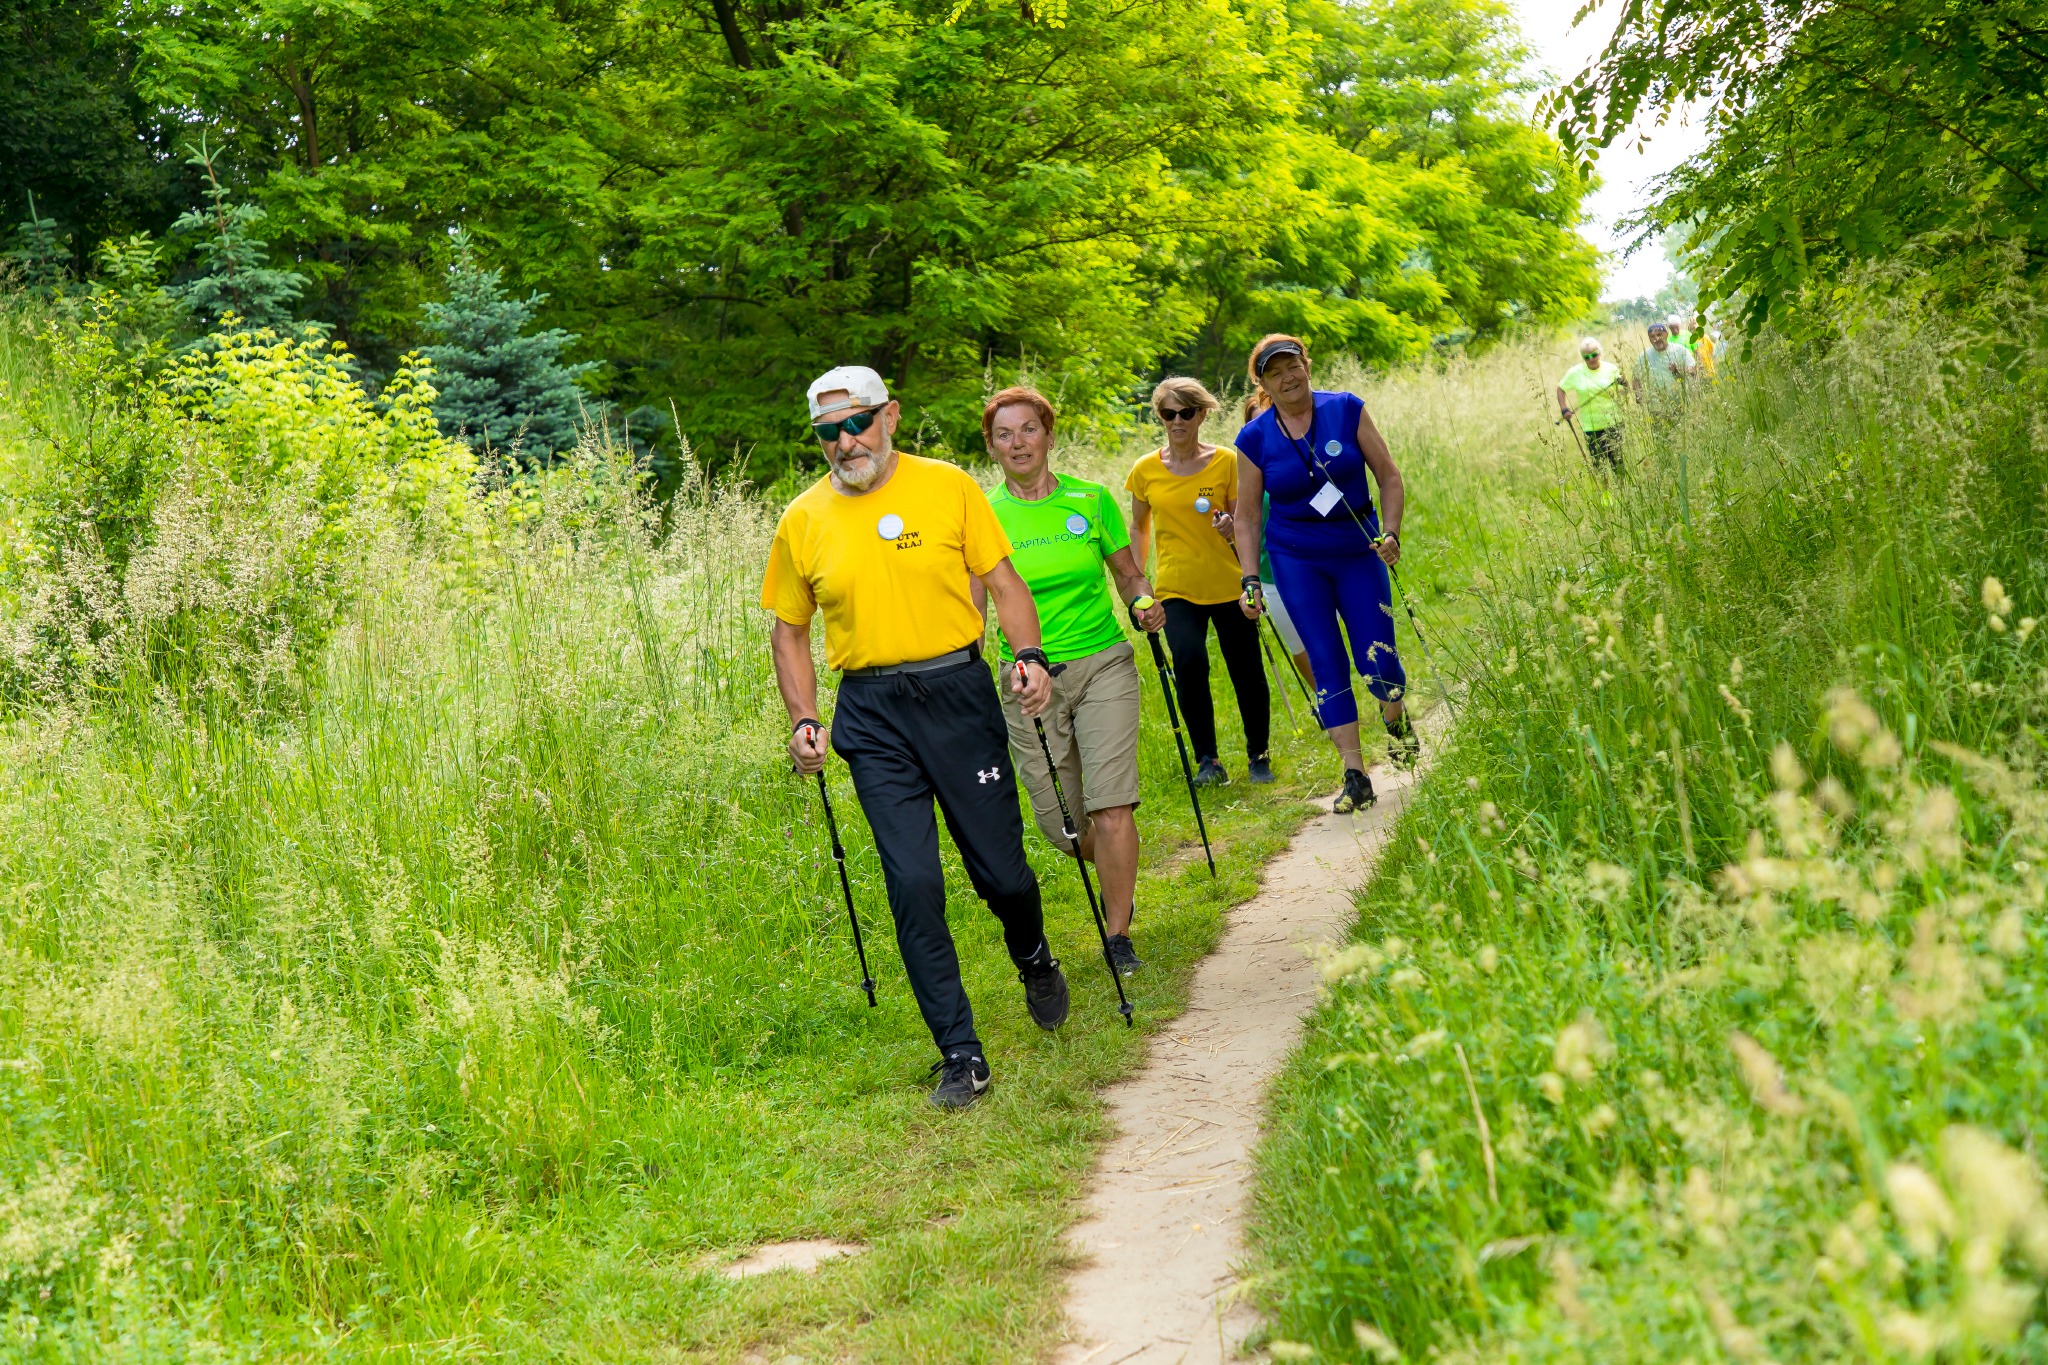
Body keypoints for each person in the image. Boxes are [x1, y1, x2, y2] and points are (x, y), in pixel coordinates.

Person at [763, 364, 1068, 1111]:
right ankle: (961, 1052)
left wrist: (1029, 658)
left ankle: (1032, 953)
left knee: (1001, 874)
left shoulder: (948, 486)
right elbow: (789, 631)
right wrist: (804, 719)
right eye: (828, 432)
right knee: (913, 885)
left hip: (956, 692)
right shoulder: (802, 519)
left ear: (890, 416)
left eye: (857, 423)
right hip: (872, 714)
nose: (845, 442)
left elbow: (1006, 586)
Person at [977, 386, 1161, 976]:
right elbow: (971, 609)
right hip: (1026, 680)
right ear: (991, 447)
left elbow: (1128, 574)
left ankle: (1118, 933)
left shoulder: (1091, 499)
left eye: (1028, 429)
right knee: (1062, 826)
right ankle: (1115, 865)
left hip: (1102, 663)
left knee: (1112, 806)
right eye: (1004, 435)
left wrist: (1142, 602)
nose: (1018, 443)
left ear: (1049, 435)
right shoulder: (981, 514)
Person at [1229, 334, 1416, 813]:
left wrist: (1390, 532)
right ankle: (1355, 774)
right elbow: (1247, 516)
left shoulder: (1346, 409)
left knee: (1378, 655)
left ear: (1307, 366)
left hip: (1358, 550)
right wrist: (1250, 579)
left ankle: (1394, 717)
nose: (1288, 378)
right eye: (1275, 373)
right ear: (1264, 385)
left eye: (1293, 366)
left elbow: (1389, 476)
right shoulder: (1254, 439)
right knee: (1325, 659)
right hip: (1297, 560)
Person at [1126, 378, 1273, 787]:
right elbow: (1138, 528)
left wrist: (1232, 530)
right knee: (1189, 662)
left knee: (1246, 669)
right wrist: (1136, 583)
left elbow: (1244, 521)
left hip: (1228, 583)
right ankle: (1208, 760)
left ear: (1202, 414)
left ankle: (1259, 755)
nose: (1177, 421)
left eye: (1186, 413)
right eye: (1168, 413)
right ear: (1160, 416)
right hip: (1176, 589)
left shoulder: (1226, 461)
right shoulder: (1145, 469)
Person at [1556, 337, 1625, 473]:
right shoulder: (1575, 372)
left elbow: (1622, 391)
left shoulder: (1611, 369)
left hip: (1614, 422)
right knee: (1599, 467)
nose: (1591, 359)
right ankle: (1605, 488)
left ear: (1600, 352)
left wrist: (1624, 386)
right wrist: (1564, 409)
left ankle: (1622, 485)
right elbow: (1561, 388)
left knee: (1617, 464)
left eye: (1594, 355)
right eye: (1586, 357)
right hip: (1591, 426)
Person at [1636, 319, 1697, 404]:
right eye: (1652, 336)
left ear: (1666, 334)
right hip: (1657, 404)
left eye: (1659, 335)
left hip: (1682, 399)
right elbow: (1636, 378)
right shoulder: (1644, 356)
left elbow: (1694, 369)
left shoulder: (1679, 350)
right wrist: (1638, 395)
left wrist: (1679, 370)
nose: (1656, 339)